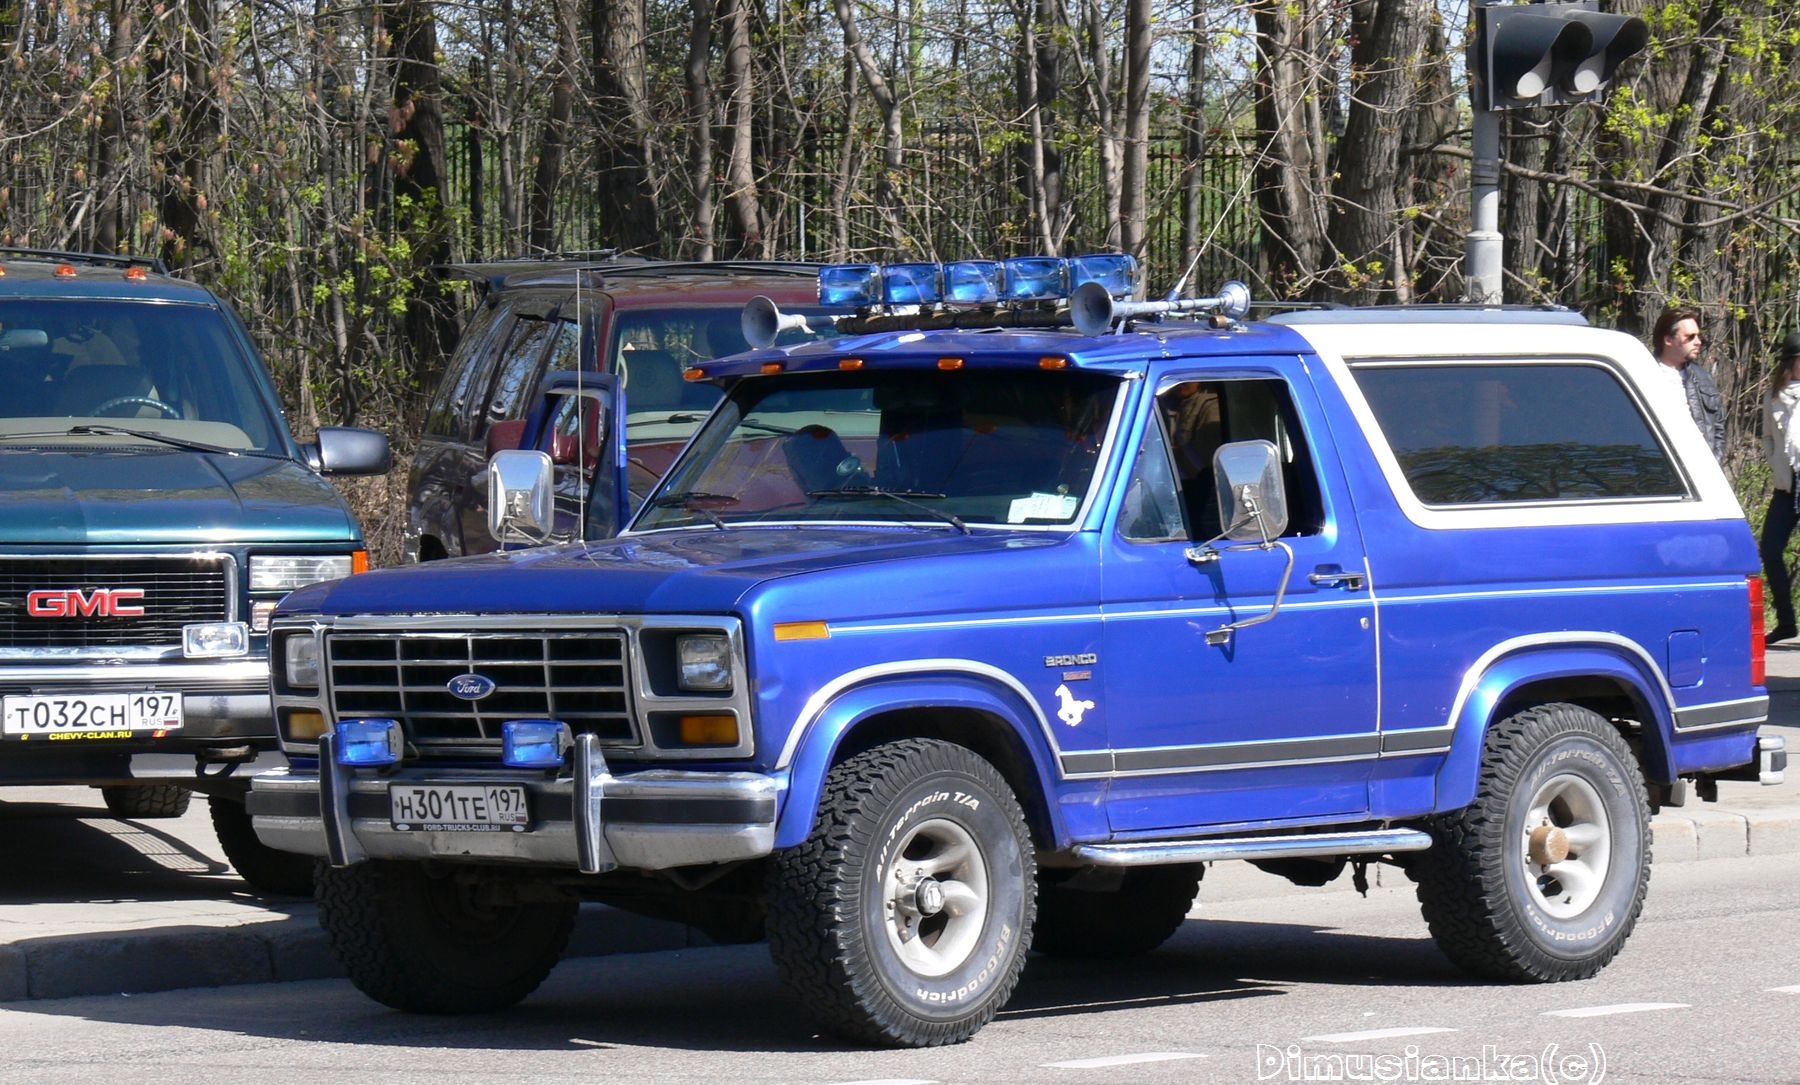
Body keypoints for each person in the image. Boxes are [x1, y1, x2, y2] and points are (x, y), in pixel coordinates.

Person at [1759, 331, 1800, 644]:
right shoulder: (1775, 395)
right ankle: (1786, 620)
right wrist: (1774, 462)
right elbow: (1768, 437)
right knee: (1770, 549)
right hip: (1786, 485)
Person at [1651, 305, 1725, 460]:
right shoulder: (1645, 374)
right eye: (1690, 337)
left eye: (1698, 336)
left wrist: (1713, 463)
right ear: (1668, 340)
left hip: (1699, 471)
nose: (1698, 342)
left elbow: (1718, 428)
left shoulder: (1703, 379)